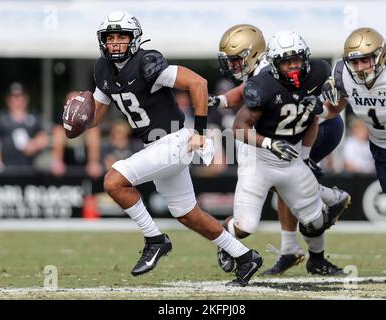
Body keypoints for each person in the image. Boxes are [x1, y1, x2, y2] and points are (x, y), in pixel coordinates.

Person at [71, 10, 263, 287]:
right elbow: (96, 117)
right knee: (188, 213)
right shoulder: (102, 69)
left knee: (113, 180)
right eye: (110, 37)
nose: (115, 43)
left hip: (174, 140)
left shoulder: (147, 62)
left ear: (133, 39)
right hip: (156, 146)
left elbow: (198, 83)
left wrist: (198, 131)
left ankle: (155, 239)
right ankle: (245, 257)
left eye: (121, 37)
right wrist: (76, 121)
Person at [210, 25, 349, 276]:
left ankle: (311, 235)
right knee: (274, 197)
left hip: (311, 131)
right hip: (276, 143)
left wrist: (335, 90)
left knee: (299, 196)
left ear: (253, 54)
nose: (232, 67)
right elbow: (246, 98)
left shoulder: (295, 70)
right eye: (229, 61)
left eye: (236, 60)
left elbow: (321, 110)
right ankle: (299, 239)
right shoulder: (265, 77)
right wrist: (221, 101)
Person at [317, 27, 386, 276]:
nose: (359, 68)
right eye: (353, 62)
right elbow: (334, 110)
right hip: (380, 150)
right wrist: (318, 108)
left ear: (380, 57)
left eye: (365, 60)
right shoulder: (344, 77)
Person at [0, 82, 48, 173]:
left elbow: (43, 137)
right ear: (8, 99)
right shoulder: (0, 117)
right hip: (5, 168)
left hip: (30, 168)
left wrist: (35, 144)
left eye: (20, 96)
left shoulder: (34, 117)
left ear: (26, 98)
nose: (17, 100)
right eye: (14, 97)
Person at [51, 90, 103, 178]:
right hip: (67, 155)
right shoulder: (62, 119)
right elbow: (58, 134)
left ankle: (93, 162)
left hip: (85, 155)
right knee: (58, 132)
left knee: (93, 131)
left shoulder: (88, 117)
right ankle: (58, 161)